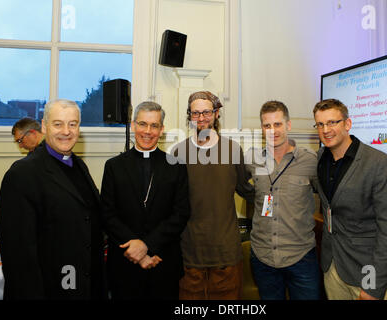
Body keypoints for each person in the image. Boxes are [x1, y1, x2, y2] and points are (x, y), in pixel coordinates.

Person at [0, 99, 106, 299]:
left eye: (72, 124)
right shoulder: (22, 174)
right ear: (45, 127)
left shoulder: (79, 165)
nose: (66, 131)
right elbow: (18, 255)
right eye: (58, 124)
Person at [313, 98, 387, 300]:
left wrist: (372, 287)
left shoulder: (380, 164)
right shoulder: (320, 158)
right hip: (333, 269)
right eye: (320, 124)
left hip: (367, 274)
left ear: (347, 124)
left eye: (332, 122)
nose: (326, 129)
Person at [100, 101, 190, 299]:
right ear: (133, 126)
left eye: (154, 125)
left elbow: (181, 213)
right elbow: (107, 213)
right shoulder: (114, 166)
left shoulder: (175, 166)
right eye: (142, 124)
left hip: (163, 262)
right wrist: (136, 250)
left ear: (162, 129)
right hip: (125, 263)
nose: (147, 131)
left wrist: (147, 246)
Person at [170, 91, 254, 300]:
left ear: (216, 114)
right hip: (189, 254)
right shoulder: (178, 153)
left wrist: (275, 190)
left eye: (206, 112)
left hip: (225, 253)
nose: (201, 118)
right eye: (195, 113)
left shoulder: (233, 150)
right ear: (189, 116)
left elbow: (248, 190)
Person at [245, 101, 320, 300]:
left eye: (277, 124)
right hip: (263, 258)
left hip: (301, 257)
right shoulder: (252, 159)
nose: (272, 131)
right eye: (267, 125)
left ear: (288, 125)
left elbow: (328, 196)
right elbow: (241, 187)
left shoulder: (310, 160)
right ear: (261, 128)